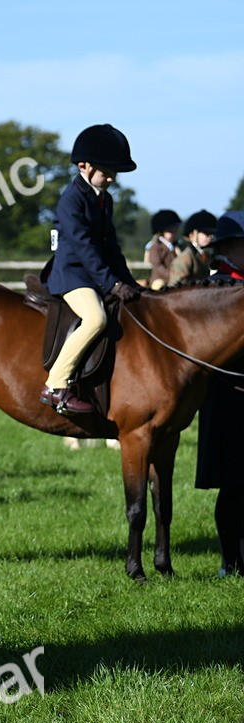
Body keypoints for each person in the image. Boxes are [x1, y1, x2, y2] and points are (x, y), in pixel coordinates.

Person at [41, 123, 142, 416]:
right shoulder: (70, 200)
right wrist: (111, 284)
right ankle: (56, 384)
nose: (111, 177)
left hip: (95, 274)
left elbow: (111, 247)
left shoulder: (104, 199)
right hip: (72, 275)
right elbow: (84, 247)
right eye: (105, 171)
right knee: (96, 318)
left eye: (114, 172)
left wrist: (130, 283)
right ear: (83, 165)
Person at [194, 210, 244, 577]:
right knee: (233, 485)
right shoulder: (217, 287)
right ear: (228, 249)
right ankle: (231, 561)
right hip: (228, 395)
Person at [169, 209, 217, 285]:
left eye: (212, 234)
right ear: (192, 235)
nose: (210, 237)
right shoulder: (185, 258)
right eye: (206, 233)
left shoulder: (206, 255)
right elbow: (176, 289)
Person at [145, 209, 182, 290]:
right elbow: (157, 266)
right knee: (158, 285)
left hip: (175, 280)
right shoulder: (155, 247)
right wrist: (172, 275)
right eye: (170, 231)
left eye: (175, 230)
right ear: (162, 231)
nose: (174, 233)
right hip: (160, 280)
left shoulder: (176, 246)